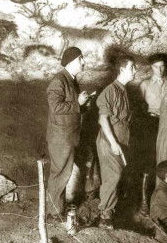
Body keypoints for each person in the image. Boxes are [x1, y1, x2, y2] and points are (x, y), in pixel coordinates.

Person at [46, 46, 89, 220]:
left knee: (65, 171)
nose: (84, 61)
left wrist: (84, 104)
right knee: (59, 172)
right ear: (71, 62)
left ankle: (58, 208)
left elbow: (72, 107)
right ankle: (54, 212)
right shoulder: (59, 80)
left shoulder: (71, 80)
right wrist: (78, 103)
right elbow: (55, 107)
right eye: (81, 58)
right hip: (60, 137)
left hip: (68, 135)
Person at [96, 55, 136, 229]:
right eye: (132, 68)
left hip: (121, 139)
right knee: (113, 176)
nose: (135, 71)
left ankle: (109, 213)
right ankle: (105, 216)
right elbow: (102, 120)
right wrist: (113, 143)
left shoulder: (123, 90)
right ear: (122, 70)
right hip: (109, 140)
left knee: (117, 176)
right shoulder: (110, 90)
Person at [139, 53, 167, 214]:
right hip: (151, 122)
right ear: (151, 68)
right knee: (149, 160)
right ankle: (144, 201)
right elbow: (140, 108)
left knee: (165, 158)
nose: (160, 69)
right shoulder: (145, 84)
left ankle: (163, 202)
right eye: (156, 66)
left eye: (162, 66)